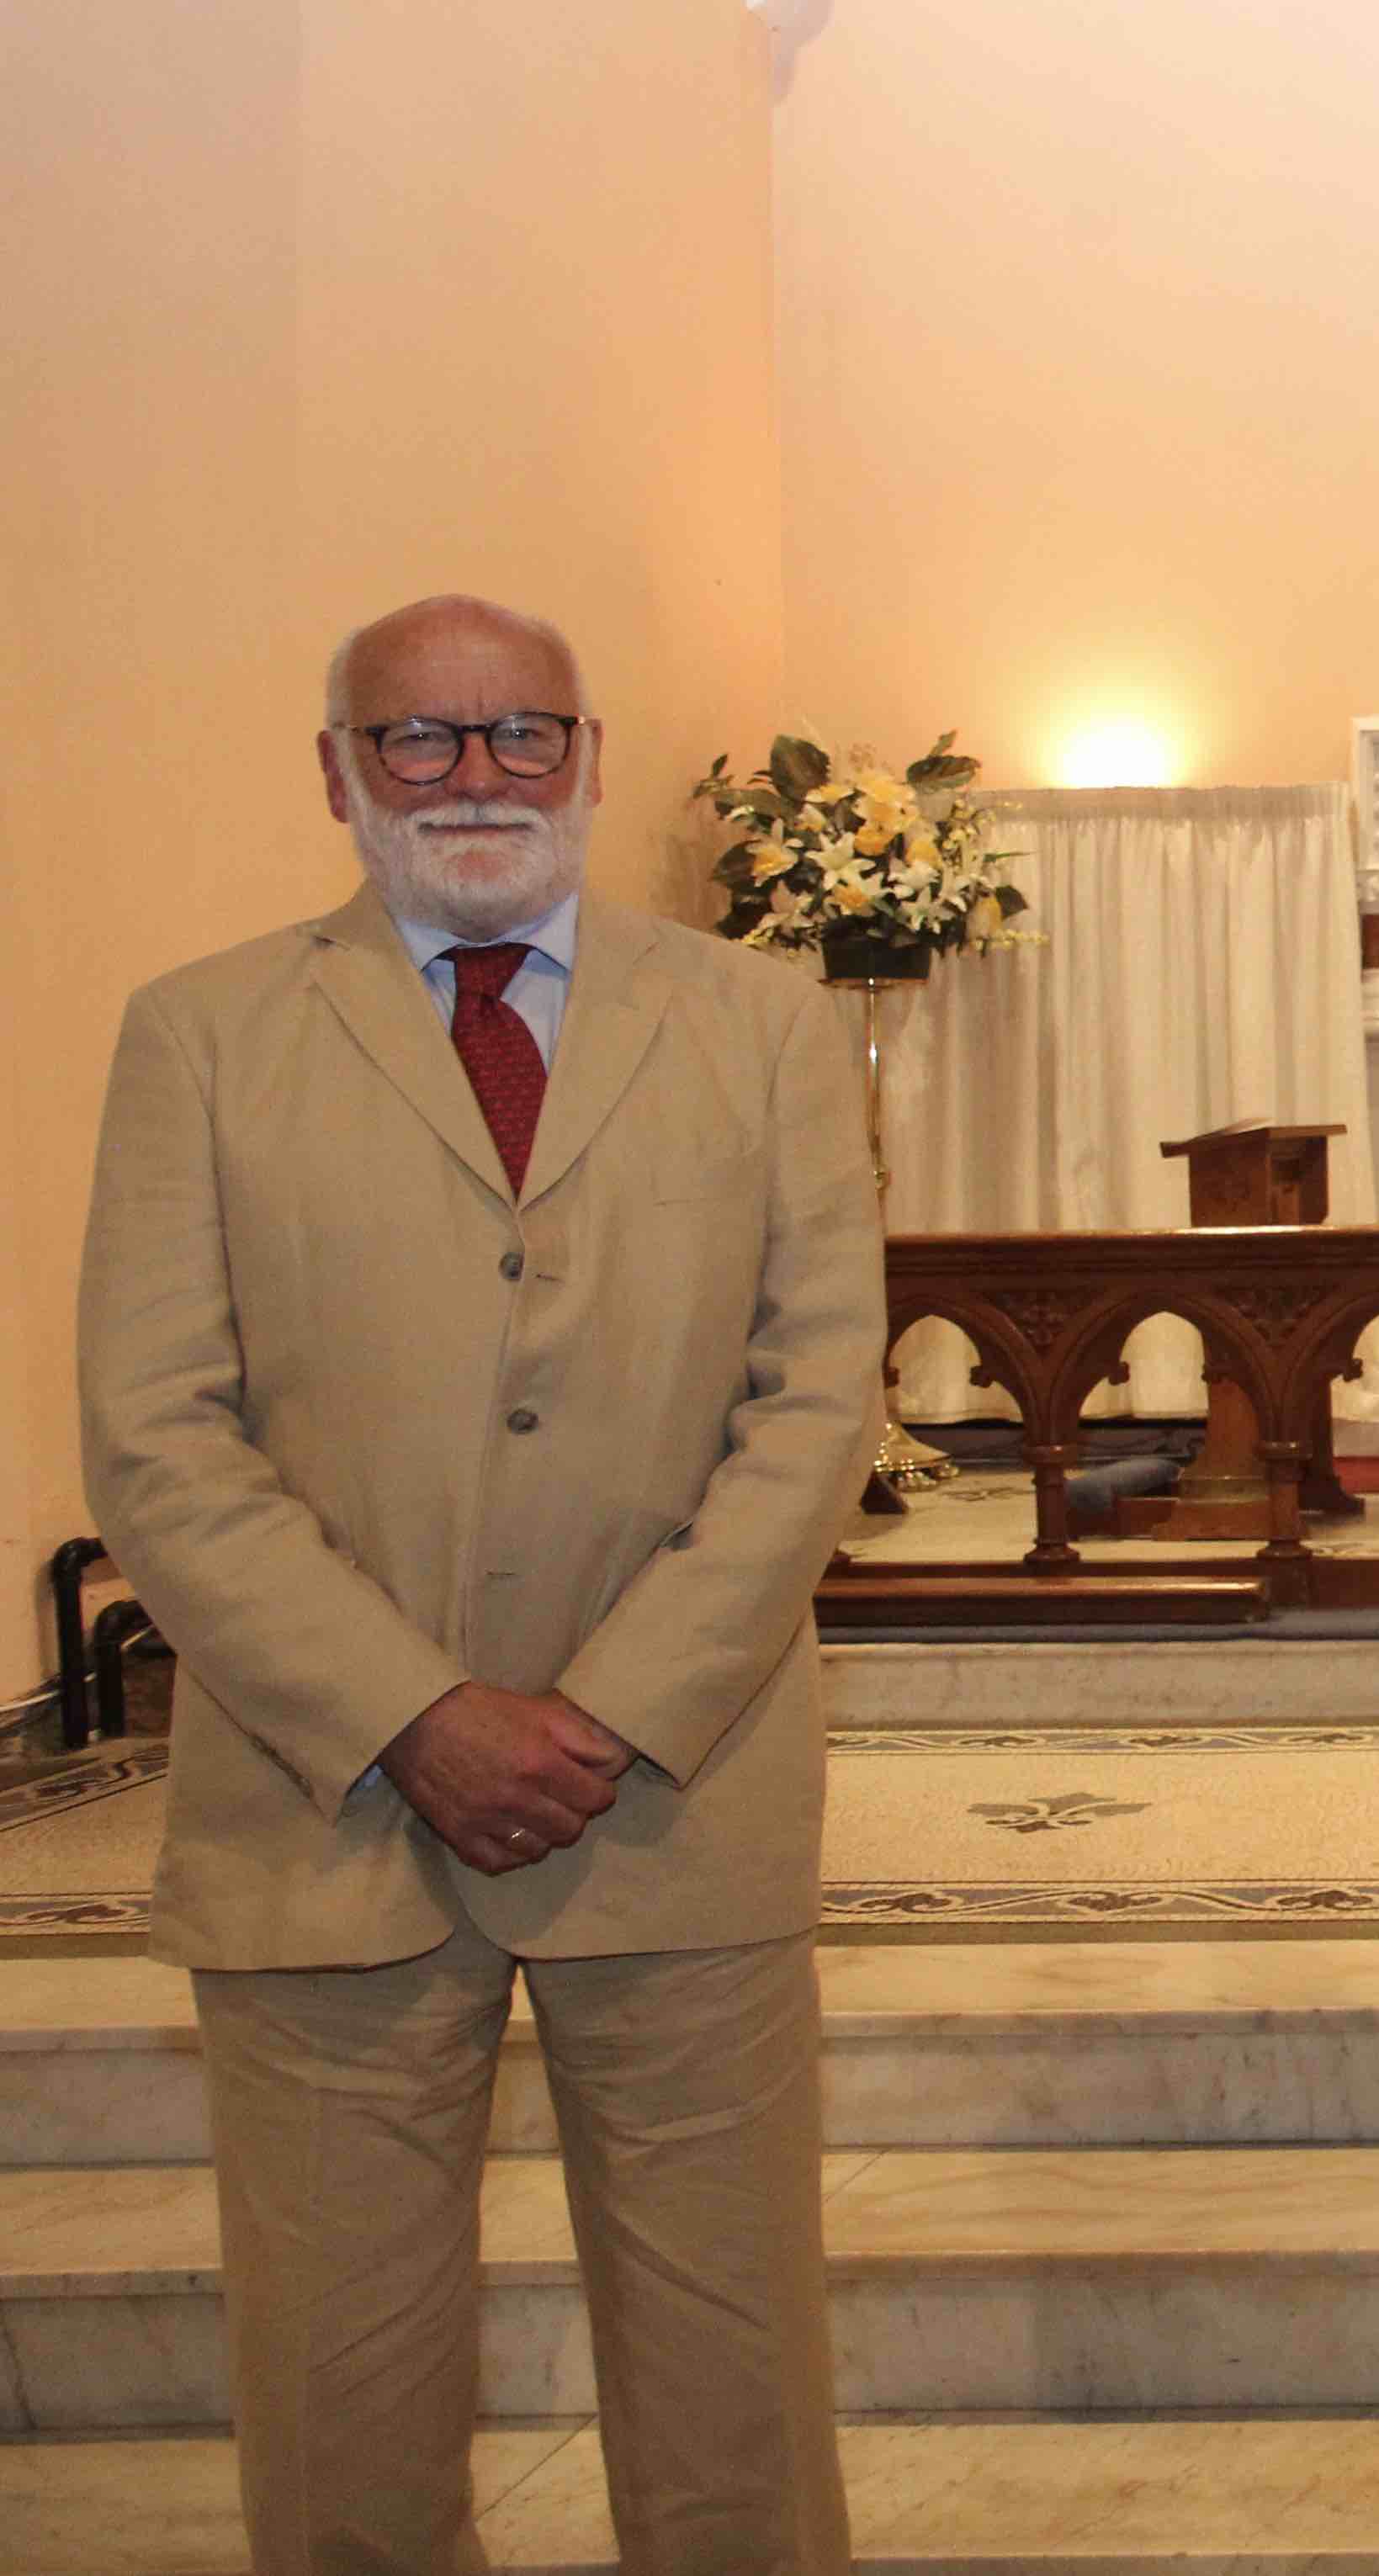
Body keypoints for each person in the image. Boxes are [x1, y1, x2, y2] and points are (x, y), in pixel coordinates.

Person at [76, 594, 883, 2573]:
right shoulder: (201, 1032)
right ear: (337, 774)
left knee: (733, 2407)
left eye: (523, 733)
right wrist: (413, 1713)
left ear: (591, 758)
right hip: (324, 1808)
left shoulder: (762, 1020)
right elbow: (157, 1430)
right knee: (340, 2414)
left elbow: (817, 1399)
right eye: (419, 740)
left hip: (673, 1801)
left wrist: (607, 1713)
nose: (475, 777)